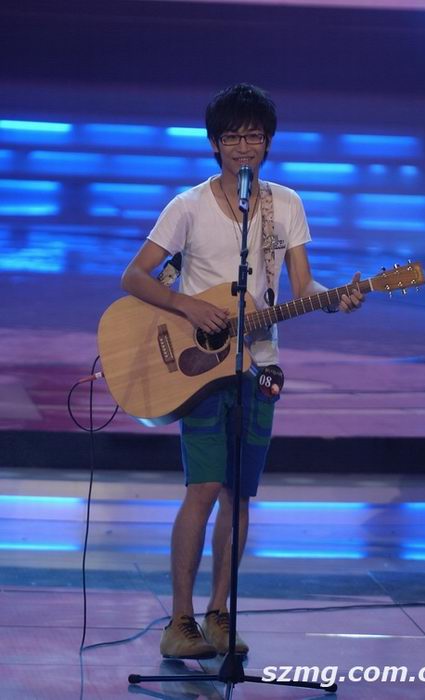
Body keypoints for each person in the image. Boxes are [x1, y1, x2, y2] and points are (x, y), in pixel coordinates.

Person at [121, 83, 364, 660]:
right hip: (199, 367)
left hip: (261, 366)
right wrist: (188, 306)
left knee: (239, 493)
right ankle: (179, 622)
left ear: (269, 142)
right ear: (214, 143)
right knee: (204, 487)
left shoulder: (287, 205)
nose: (244, 146)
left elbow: (303, 286)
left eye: (254, 136)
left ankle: (219, 614)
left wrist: (337, 298)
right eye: (232, 137)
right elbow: (134, 276)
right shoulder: (187, 206)